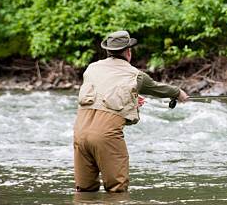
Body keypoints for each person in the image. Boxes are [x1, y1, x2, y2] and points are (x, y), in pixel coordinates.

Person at [73, 30, 189, 192]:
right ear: (128, 52)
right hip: (105, 136)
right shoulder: (136, 75)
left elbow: (102, 94)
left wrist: (131, 98)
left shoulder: (91, 68)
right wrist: (179, 93)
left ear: (108, 51)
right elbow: (156, 88)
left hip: (80, 134)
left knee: (84, 190)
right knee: (117, 189)